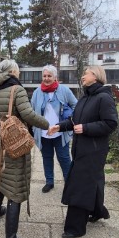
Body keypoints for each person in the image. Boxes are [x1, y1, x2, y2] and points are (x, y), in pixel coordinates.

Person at [0, 59, 49, 238]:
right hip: (13, 144)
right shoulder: (16, 89)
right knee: (15, 188)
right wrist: (47, 124)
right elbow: (28, 115)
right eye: (18, 70)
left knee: (1, 177)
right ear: (13, 71)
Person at [48, 65, 118, 238]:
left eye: (86, 73)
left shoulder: (104, 98)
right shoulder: (85, 97)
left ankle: (75, 228)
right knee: (93, 181)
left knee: (80, 186)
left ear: (95, 76)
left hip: (93, 151)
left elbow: (111, 123)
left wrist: (86, 128)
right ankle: (97, 211)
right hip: (81, 149)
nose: (82, 76)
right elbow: (73, 121)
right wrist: (59, 127)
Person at [31, 65, 77, 193]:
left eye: (49, 76)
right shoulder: (37, 92)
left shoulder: (64, 90)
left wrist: (69, 120)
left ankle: (69, 183)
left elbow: (76, 106)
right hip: (43, 133)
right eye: (44, 76)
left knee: (64, 158)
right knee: (47, 157)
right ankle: (49, 182)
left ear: (55, 77)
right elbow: (31, 111)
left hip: (60, 133)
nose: (46, 78)